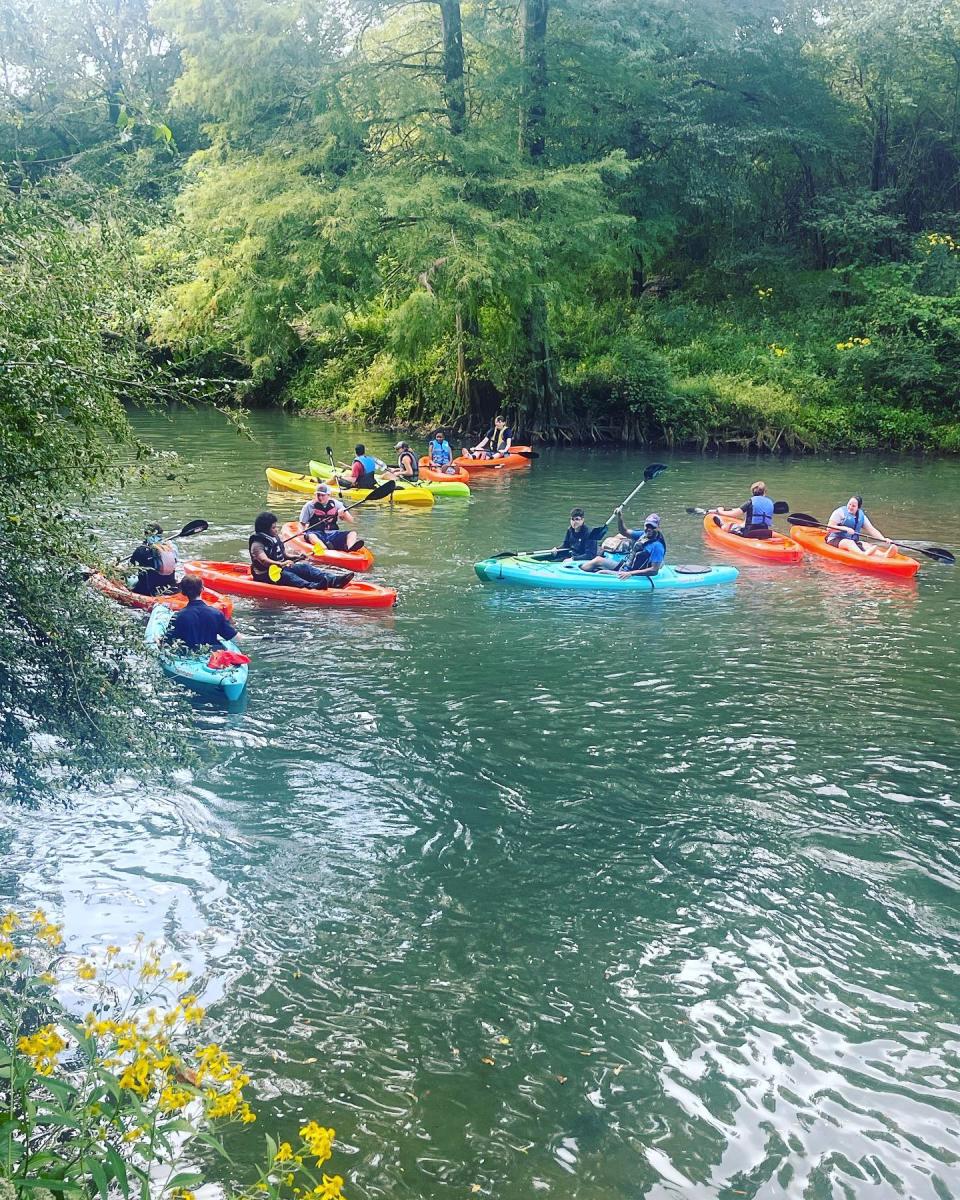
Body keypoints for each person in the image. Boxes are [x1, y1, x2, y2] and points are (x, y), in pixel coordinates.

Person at [249, 512, 354, 589]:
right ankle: (314, 587)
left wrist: (296, 557)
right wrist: (280, 564)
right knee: (287, 576)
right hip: (265, 575)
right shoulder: (257, 544)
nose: (276, 530)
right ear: (264, 529)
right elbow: (264, 560)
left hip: (280, 568)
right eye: (273, 528)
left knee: (304, 567)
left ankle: (333, 580)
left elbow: (284, 555)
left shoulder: (273, 538)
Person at [577, 512, 666, 577]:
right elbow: (624, 531)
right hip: (625, 566)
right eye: (647, 526)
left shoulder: (657, 546)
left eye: (652, 527)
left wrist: (630, 573)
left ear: (658, 527)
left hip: (633, 573)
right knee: (598, 560)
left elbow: (654, 570)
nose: (649, 529)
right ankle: (578, 573)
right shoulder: (642, 535)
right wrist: (620, 517)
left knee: (601, 573)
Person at [165, 574, 239, 651]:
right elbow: (234, 637)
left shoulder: (178, 616)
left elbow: (168, 642)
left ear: (183, 592)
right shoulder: (216, 614)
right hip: (212, 654)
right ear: (202, 589)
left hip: (190, 655)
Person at [825, 496, 898, 557]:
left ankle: (884, 555)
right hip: (834, 539)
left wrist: (883, 539)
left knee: (866, 544)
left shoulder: (861, 517)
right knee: (849, 543)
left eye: (853, 506)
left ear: (858, 508)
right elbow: (829, 528)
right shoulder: (839, 512)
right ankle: (863, 554)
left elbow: (872, 530)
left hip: (852, 541)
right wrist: (844, 529)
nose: (850, 507)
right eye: (849, 504)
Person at [298, 483, 364, 552]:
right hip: (316, 533)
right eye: (318, 495)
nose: (320, 497)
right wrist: (302, 535)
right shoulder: (309, 506)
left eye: (323, 495)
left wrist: (344, 513)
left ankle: (350, 548)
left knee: (353, 533)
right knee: (311, 536)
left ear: (329, 495)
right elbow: (302, 523)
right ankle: (324, 549)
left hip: (333, 533)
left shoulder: (337, 504)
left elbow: (351, 520)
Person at [129, 523, 179, 596]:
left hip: (147, 591)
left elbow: (130, 567)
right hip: (170, 588)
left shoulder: (141, 550)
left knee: (129, 580)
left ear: (145, 534)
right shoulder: (171, 547)